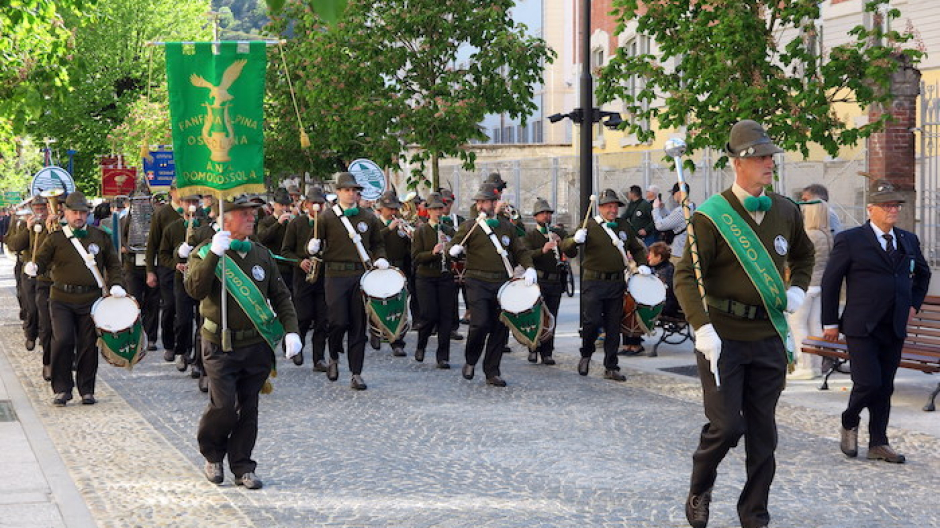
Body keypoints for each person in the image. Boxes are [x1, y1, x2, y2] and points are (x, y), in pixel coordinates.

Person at [674, 119, 814, 528]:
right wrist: (701, 328)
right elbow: (687, 275)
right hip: (723, 337)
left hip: (767, 335)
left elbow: (804, 256)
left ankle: (754, 514)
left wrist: (798, 291)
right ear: (738, 163)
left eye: (771, 156)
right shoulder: (711, 217)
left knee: (763, 434)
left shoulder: (786, 210)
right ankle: (700, 488)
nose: (770, 163)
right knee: (726, 426)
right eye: (761, 157)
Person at [185, 194, 301, 489]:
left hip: (255, 344)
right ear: (225, 218)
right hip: (219, 343)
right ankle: (212, 454)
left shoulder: (260, 254)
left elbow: (280, 296)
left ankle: (242, 466)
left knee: (248, 408)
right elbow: (195, 290)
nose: (253, 218)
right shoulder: (205, 251)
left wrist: (291, 330)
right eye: (245, 213)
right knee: (223, 406)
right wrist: (213, 254)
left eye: (254, 213)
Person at [821, 180, 930, 464]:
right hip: (861, 325)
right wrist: (829, 322)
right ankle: (849, 419)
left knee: (885, 386)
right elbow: (831, 282)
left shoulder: (907, 240)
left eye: (895, 205)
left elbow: (923, 274)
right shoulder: (851, 240)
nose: (893, 209)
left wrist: (913, 305)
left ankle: (879, 443)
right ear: (871, 209)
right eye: (886, 205)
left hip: (893, 326)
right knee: (868, 382)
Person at [31, 191, 126, 406]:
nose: (79, 216)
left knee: (87, 344)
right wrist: (34, 266)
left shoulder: (99, 236)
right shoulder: (55, 237)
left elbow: (113, 264)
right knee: (63, 340)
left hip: (90, 299)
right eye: (74, 212)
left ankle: (86, 389)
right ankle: (62, 389)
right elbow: (42, 261)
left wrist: (117, 284)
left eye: (82, 212)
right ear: (65, 212)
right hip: (61, 298)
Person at [448, 183, 536, 387]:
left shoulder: (507, 227)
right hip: (477, 281)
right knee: (480, 324)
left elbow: (520, 250)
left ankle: (492, 371)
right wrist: (451, 250)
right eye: (478, 202)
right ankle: (471, 360)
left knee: (500, 328)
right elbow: (453, 244)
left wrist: (529, 267)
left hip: (502, 282)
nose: (480, 205)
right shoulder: (470, 226)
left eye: (484, 202)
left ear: (494, 203)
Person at [307, 172, 387, 390]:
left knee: (358, 325)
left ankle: (356, 373)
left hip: (360, 275)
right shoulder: (326, 217)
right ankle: (333, 355)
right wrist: (312, 247)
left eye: (354, 190)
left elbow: (378, 243)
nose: (351, 194)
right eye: (347, 190)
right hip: (335, 275)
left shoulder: (368, 217)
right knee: (337, 322)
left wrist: (380, 259)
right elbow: (316, 242)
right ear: (338, 192)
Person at [562, 188, 648, 381]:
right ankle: (586, 354)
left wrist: (643, 265)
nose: (613, 210)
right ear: (600, 207)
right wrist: (574, 241)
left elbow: (636, 248)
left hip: (616, 282)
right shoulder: (589, 225)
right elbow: (568, 250)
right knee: (591, 322)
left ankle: (611, 366)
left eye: (615, 206)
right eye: (609, 206)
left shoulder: (624, 226)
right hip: (593, 282)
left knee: (613, 325)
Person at [281, 188, 330, 370]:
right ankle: (297, 347)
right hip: (303, 278)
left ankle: (319, 358)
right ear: (306, 204)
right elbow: (285, 251)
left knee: (322, 319)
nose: (317, 207)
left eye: (322, 204)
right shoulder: (297, 224)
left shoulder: (328, 223)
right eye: (314, 203)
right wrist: (299, 261)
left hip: (324, 277)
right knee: (303, 316)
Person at [523, 197, 575, 365]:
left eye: (548, 213)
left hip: (555, 281)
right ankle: (533, 347)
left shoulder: (558, 233)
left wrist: (563, 244)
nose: (546, 216)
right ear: (535, 217)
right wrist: (542, 250)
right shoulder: (530, 235)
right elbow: (525, 255)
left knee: (552, 317)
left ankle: (547, 352)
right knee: (536, 315)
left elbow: (572, 251)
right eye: (542, 214)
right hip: (539, 280)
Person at [787, 200, 832, 380]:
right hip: (820, 284)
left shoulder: (810, 234)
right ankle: (815, 365)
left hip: (807, 284)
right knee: (814, 326)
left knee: (797, 325)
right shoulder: (826, 234)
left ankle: (805, 364)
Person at [411, 192, 457, 368]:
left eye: (440, 208)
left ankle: (443, 356)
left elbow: (458, 252)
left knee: (446, 318)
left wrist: (451, 246)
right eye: (435, 209)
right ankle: (421, 344)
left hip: (445, 276)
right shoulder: (421, 231)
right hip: (426, 277)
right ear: (428, 211)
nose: (438, 212)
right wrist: (433, 252)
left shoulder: (448, 230)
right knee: (429, 315)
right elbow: (416, 258)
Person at [374, 191, 413, 357]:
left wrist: (411, 237)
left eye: (395, 209)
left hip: (398, 269)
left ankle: (397, 342)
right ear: (381, 209)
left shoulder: (400, 225)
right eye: (389, 209)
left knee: (399, 305)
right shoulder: (374, 224)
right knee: (377, 304)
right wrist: (387, 229)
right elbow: (371, 242)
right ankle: (375, 332)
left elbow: (408, 252)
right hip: (379, 269)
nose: (393, 212)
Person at [146, 181, 182, 359]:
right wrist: (150, 271)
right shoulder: (162, 213)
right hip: (167, 266)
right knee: (170, 305)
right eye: (180, 190)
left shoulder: (193, 213)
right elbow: (152, 244)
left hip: (189, 267)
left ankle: (184, 346)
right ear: (172, 192)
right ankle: (169, 343)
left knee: (185, 309)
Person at [257, 188, 295, 293]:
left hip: (291, 267)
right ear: (274, 205)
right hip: (275, 266)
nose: (284, 208)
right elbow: (261, 238)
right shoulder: (265, 222)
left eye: (286, 205)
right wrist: (278, 223)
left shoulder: (293, 221)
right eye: (281, 205)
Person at [652, 182, 695, 262]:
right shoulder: (692, 208)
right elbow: (673, 220)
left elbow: (660, 225)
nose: (673, 196)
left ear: (679, 193)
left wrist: (655, 209)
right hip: (687, 250)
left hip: (678, 253)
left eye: (673, 193)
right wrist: (662, 209)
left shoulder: (681, 211)